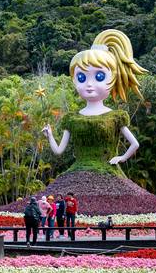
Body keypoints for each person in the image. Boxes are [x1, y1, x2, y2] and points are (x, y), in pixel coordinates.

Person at [41, 30, 147, 174]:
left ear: (113, 78)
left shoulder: (116, 117)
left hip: (109, 172)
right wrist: (50, 136)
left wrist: (121, 158)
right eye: (81, 78)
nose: (89, 84)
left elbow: (135, 144)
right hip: (77, 172)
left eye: (99, 76)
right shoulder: (71, 119)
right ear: (74, 80)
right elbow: (59, 151)